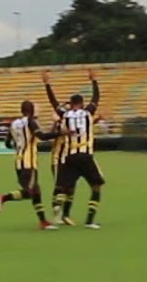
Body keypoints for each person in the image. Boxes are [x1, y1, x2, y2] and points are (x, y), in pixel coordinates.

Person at [44, 69, 104, 229]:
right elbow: (96, 98)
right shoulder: (87, 113)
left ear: (71, 104)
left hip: (69, 156)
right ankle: (90, 221)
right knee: (96, 187)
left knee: (64, 187)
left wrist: (47, 84)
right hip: (85, 155)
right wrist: (94, 80)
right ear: (82, 103)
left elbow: (54, 102)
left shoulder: (65, 114)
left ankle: (57, 210)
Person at [0, 101, 61, 229]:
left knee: (36, 191)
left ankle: (43, 222)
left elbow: (7, 143)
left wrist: (20, 145)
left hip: (18, 161)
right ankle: (2, 198)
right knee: (29, 192)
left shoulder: (14, 123)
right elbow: (43, 136)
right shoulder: (30, 121)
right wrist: (62, 132)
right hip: (28, 162)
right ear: (32, 110)